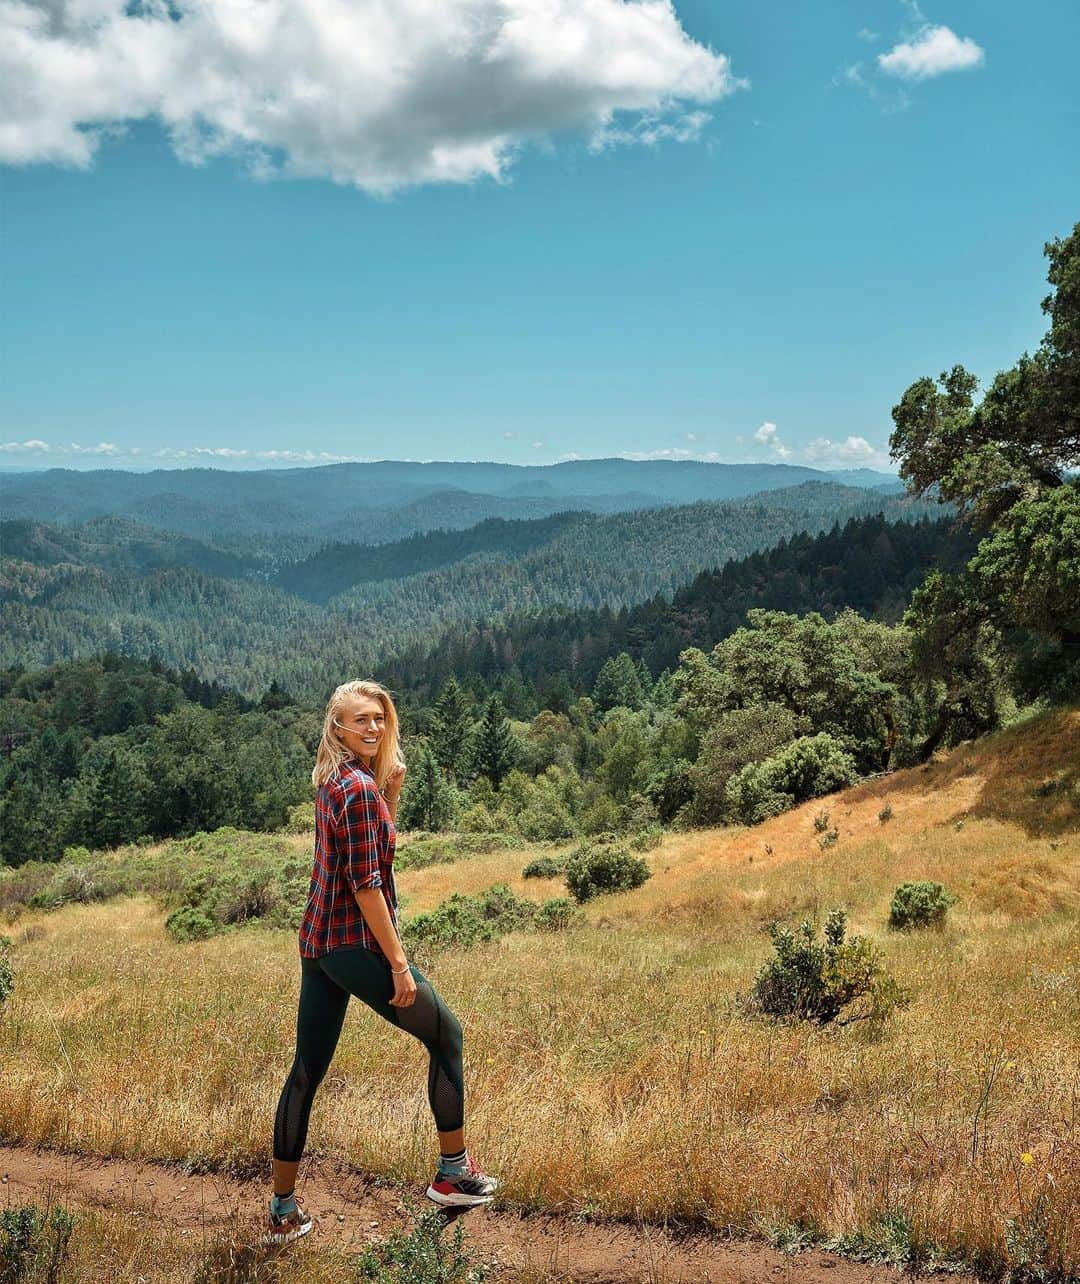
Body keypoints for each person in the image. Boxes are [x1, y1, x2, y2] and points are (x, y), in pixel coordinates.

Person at [265, 678, 498, 1245]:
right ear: (337, 727)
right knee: (447, 1035)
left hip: (318, 944)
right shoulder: (358, 790)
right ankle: (451, 1175)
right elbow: (369, 884)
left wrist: (388, 793)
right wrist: (397, 964)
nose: (373, 727)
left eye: (379, 719)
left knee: (306, 1073)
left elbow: (371, 848)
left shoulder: (332, 780)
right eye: (360, 720)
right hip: (355, 946)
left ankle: (282, 1210)